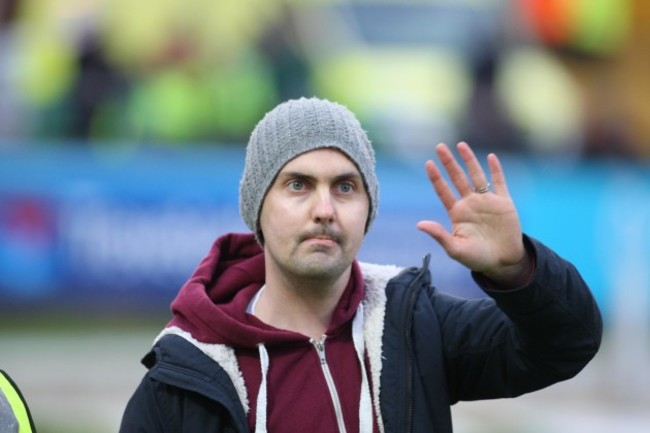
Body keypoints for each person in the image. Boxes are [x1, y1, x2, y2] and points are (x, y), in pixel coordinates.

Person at [120, 97, 602, 433]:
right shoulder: (183, 379)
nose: (325, 209)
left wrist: (516, 268)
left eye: (345, 187)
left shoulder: (413, 325)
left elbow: (565, 344)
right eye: (298, 185)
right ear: (256, 208)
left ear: (367, 211)